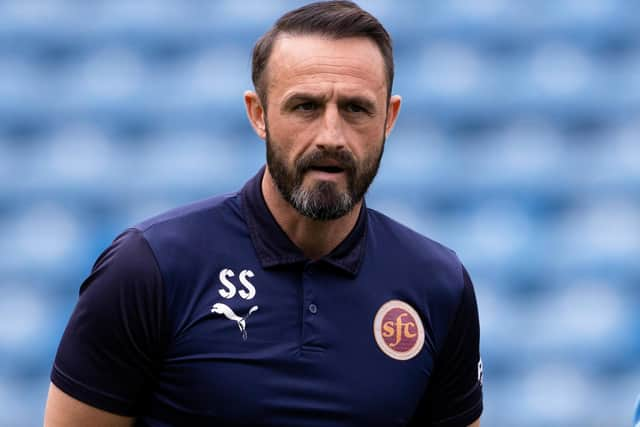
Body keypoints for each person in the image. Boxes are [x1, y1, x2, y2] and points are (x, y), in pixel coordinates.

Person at [44, 1, 483, 426]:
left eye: (355, 108)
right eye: (306, 107)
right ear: (259, 114)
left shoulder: (437, 285)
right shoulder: (151, 267)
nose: (331, 135)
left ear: (389, 118)